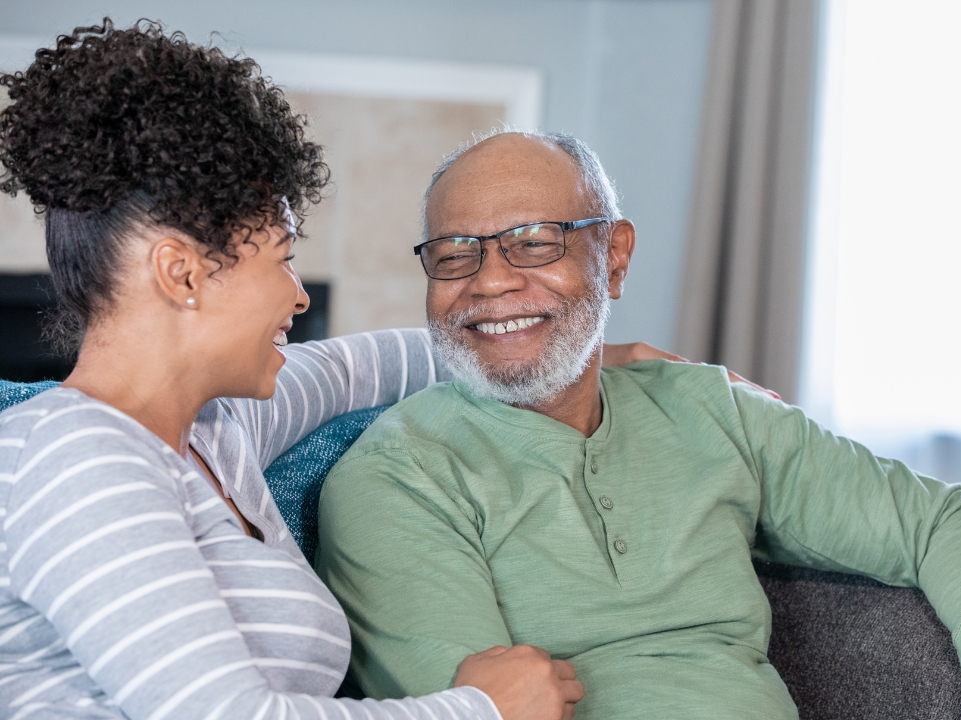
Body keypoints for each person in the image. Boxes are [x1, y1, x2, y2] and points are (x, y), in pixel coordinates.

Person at [0, 21, 704, 719]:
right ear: (181, 273)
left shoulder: (215, 432)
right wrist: (479, 710)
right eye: (281, 259)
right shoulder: (78, 456)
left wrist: (569, 348)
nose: (299, 295)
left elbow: (358, 367)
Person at [316, 129, 961, 720]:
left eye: (535, 241)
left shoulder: (712, 410)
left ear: (614, 256)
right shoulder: (396, 477)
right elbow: (476, 715)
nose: (491, 280)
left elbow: (953, 524)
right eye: (454, 254)